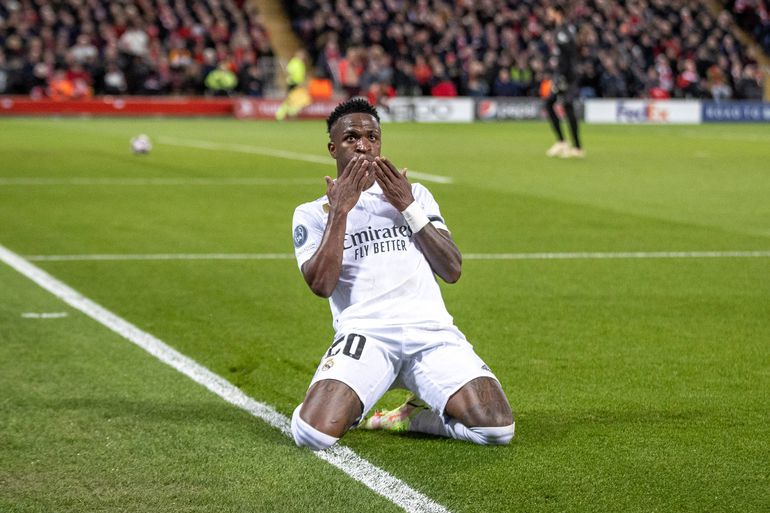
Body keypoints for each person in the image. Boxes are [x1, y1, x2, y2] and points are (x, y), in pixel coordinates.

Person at [290, 98, 515, 451]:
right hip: (367, 335)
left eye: (372, 136)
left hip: (431, 333)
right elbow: (321, 285)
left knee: (497, 430)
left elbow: (452, 269)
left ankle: (414, 417)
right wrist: (340, 212)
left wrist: (408, 207)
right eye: (351, 138)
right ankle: (342, 398)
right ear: (333, 148)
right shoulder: (312, 212)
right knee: (313, 434)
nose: (364, 145)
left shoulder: (416, 195)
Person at [544, 4, 584, 158]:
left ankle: (577, 148)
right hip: (562, 74)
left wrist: (563, 77)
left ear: (557, 13)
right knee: (549, 103)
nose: (548, 14)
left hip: (568, 76)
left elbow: (571, 56)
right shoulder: (561, 30)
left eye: (550, 11)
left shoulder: (564, 31)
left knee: (567, 105)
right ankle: (562, 142)